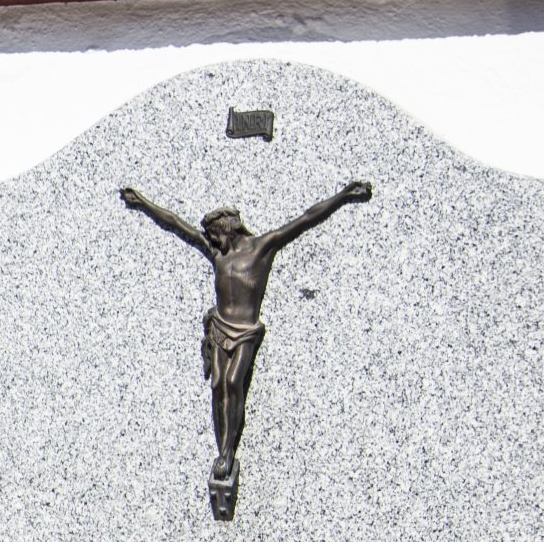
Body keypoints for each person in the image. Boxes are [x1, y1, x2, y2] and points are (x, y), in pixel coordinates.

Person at [118, 178, 372, 519]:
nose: (211, 240)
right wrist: (143, 202)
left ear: (228, 229)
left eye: (215, 234)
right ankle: (222, 451)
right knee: (218, 385)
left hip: (246, 330)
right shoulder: (218, 254)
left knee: (234, 382)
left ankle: (228, 451)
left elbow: (305, 219)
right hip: (221, 327)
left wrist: (343, 196)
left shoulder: (262, 247)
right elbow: (178, 224)